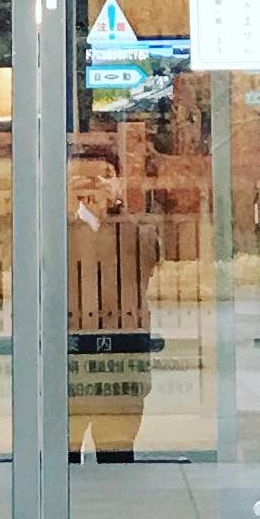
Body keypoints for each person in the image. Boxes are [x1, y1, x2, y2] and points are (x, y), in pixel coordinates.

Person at [65, 138, 166, 464]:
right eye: (80, 180)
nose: (91, 189)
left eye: (100, 179)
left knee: (118, 459)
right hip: (67, 363)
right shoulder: (53, 231)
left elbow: (151, 257)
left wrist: (116, 211)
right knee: (61, 461)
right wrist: (66, 214)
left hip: (121, 362)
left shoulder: (133, 229)